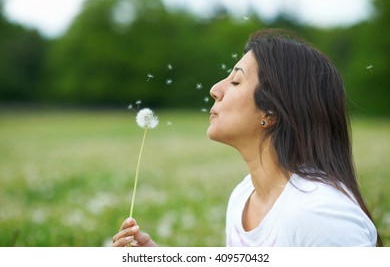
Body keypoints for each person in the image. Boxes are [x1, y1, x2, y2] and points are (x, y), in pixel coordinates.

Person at [112, 29, 382, 247]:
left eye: (236, 81)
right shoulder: (244, 197)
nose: (215, 90)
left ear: (271, 111)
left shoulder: (321, 216)